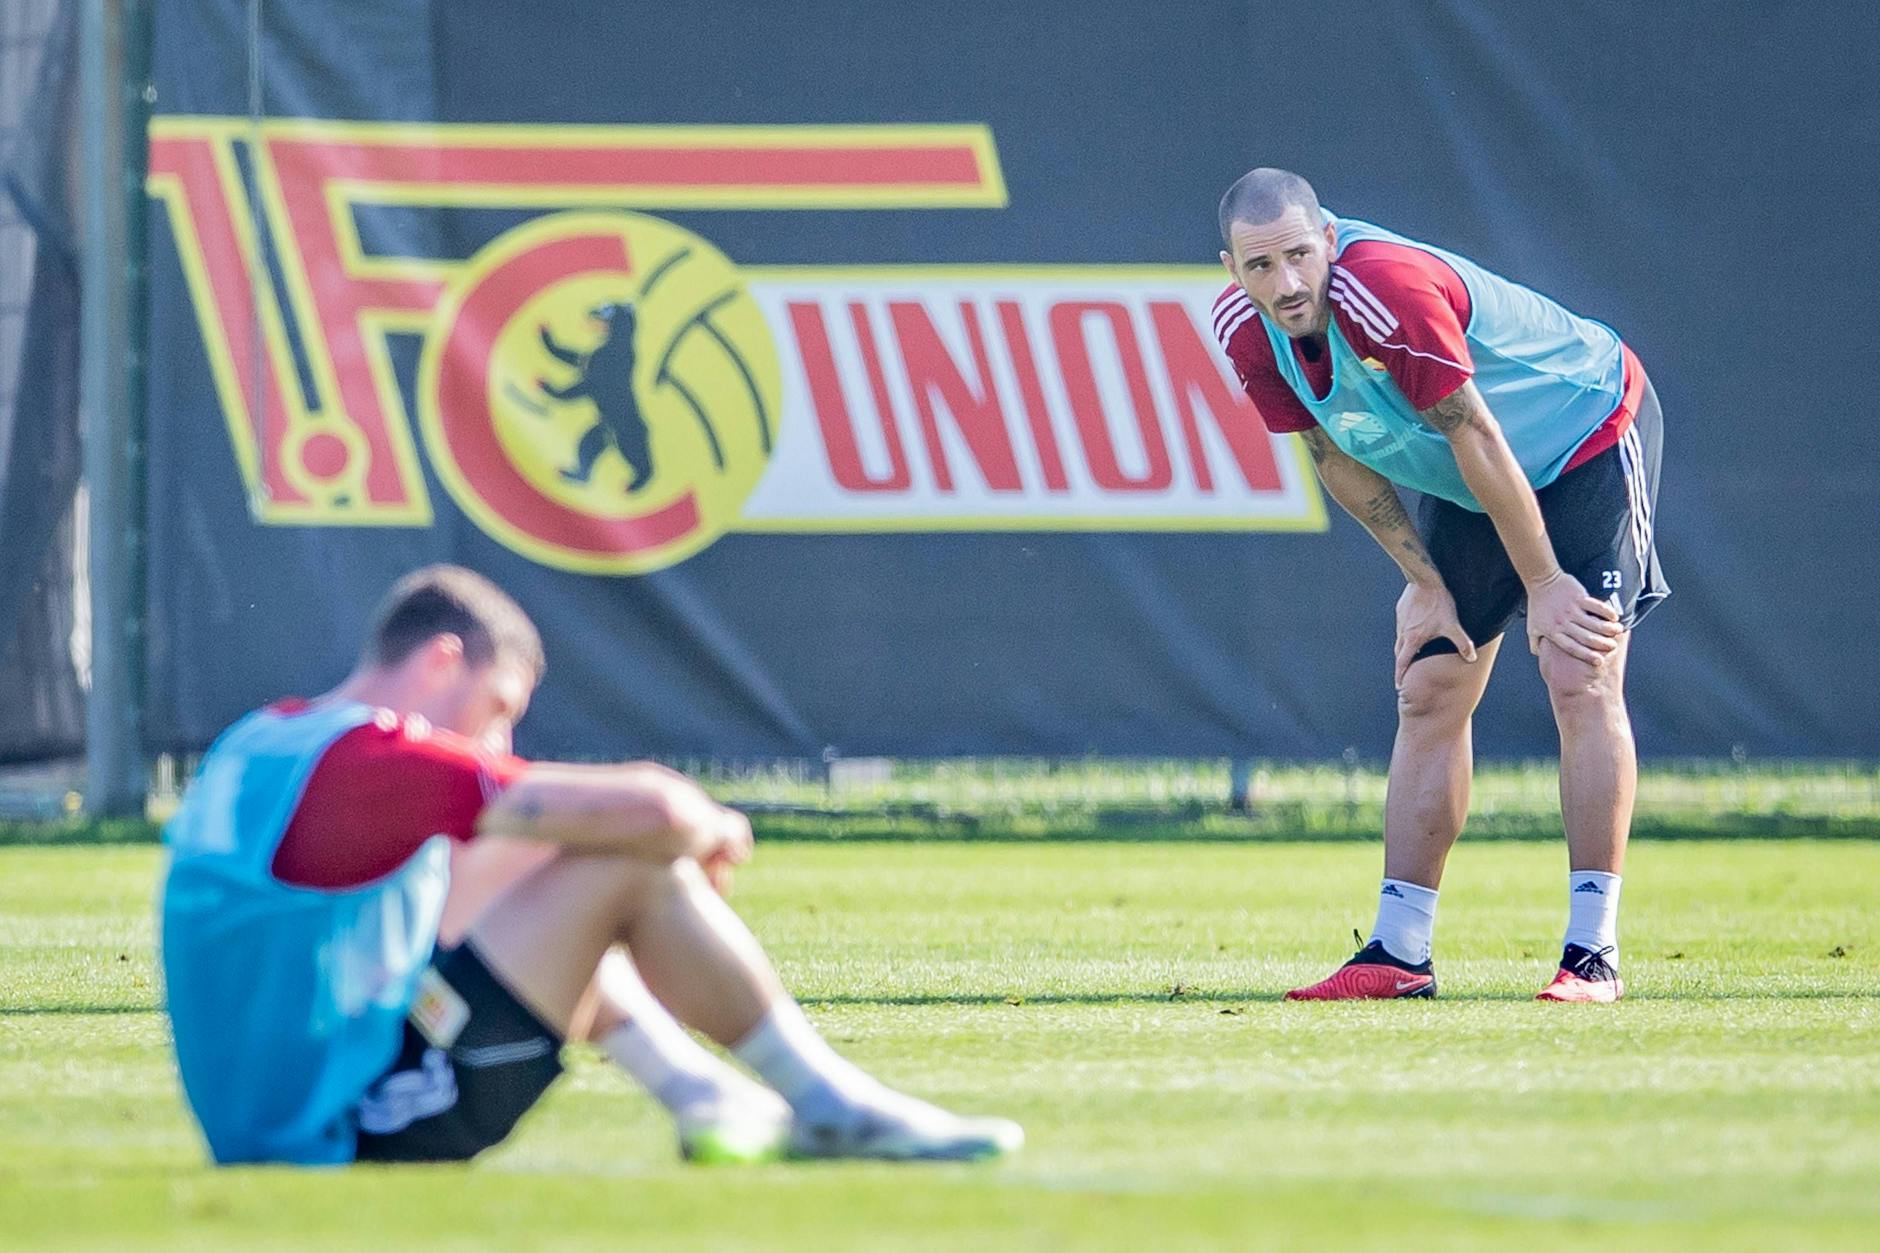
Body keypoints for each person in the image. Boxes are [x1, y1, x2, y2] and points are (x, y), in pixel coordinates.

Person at [159, 564, 1022, 1165]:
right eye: (498, 709)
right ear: (442, 661)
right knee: (627, 863)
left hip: (285, 1110)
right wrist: (706, 825)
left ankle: (707, 1097)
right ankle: (831, 1106)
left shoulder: (265, 737)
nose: (498, 741)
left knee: (564, 865)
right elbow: (655, 809)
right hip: (354, 1126)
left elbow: (462, 911)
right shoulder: (375, 763)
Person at [1212, 169, 1667, 1003]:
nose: (1287, 283)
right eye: (1261, 265)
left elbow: (1477, 430)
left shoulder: (1385, 287)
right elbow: (1333, 457)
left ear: (1328, 240)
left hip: (1586, 431)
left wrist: (1548, 583)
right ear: (1231, 267)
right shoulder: (1244, 328)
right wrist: (1422, 582)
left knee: (1578, 668)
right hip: (1475, 476)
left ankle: (1591, 952)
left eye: (1300, 255)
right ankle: (1399, 951)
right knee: (1430, 683)